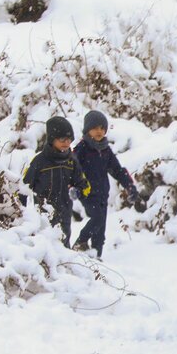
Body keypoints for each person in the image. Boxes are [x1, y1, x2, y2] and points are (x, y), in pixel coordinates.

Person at [72, 110, 146, 258]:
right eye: (95, 128)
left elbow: (118, 170)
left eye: (102, 128)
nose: (99, 131)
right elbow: (72, 169)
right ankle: (80, 242)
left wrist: (129, 186)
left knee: (100, 229)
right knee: (97, 219)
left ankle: (97, 256)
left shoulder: (105, 150)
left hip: (102, 194)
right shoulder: (81, 149)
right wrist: (73, 186)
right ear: (87, 130)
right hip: (86, 193)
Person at [22, 116, 91, 247]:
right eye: (62, 139)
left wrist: (77, 192)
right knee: (44, 244)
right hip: (42, 213)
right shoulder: (39, 161)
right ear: (52, 139)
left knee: (63, 245)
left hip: (64, 212)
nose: (66, 142)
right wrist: (20, 209)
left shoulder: (71, 161)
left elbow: (84, 185)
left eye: (69, 139)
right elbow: (24, 186)